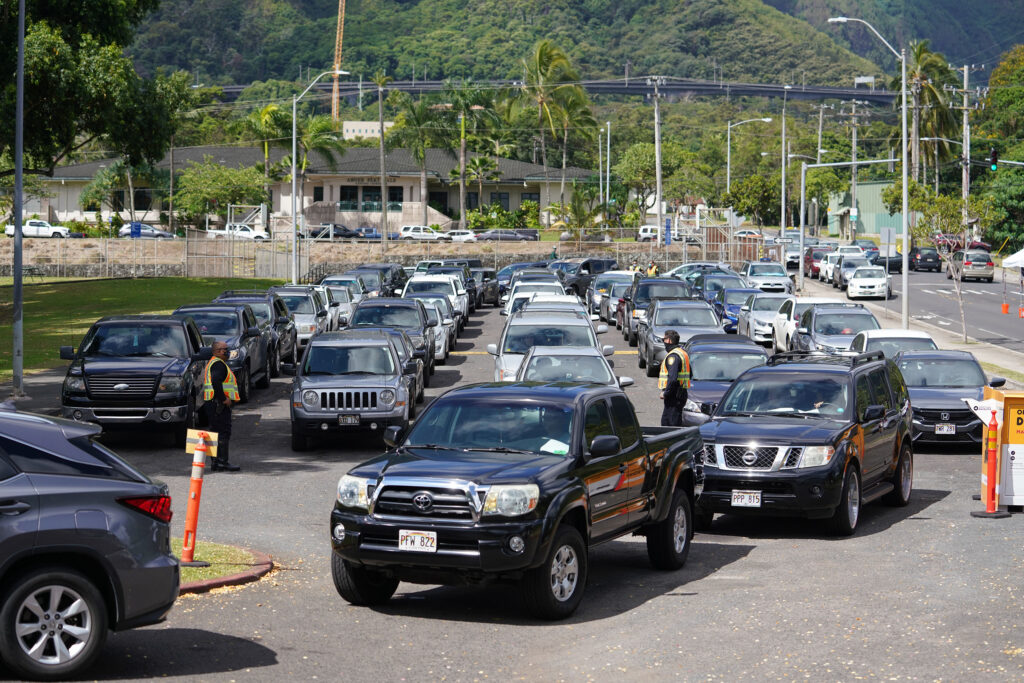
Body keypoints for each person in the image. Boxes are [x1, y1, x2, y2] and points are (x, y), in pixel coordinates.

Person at [202, 341, 241, 472]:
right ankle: (222, 462)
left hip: (211, 403)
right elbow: (215, 381)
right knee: (223, 433)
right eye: (225, 349)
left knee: (214, 433)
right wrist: (224, 399)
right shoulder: (218, 364)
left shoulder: (213, 362)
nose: (228, 351)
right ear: (218, 351)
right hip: (218, 404)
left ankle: (215, 462)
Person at [658, 329, 690, 426]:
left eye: (664, 340)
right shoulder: (682, 353)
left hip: (674, 396)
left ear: (668, 341)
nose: (664, 342)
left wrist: (666, 393)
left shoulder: (673, 356)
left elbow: (672, 378)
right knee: (672, 422)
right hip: (680, 393)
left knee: (669, 424)